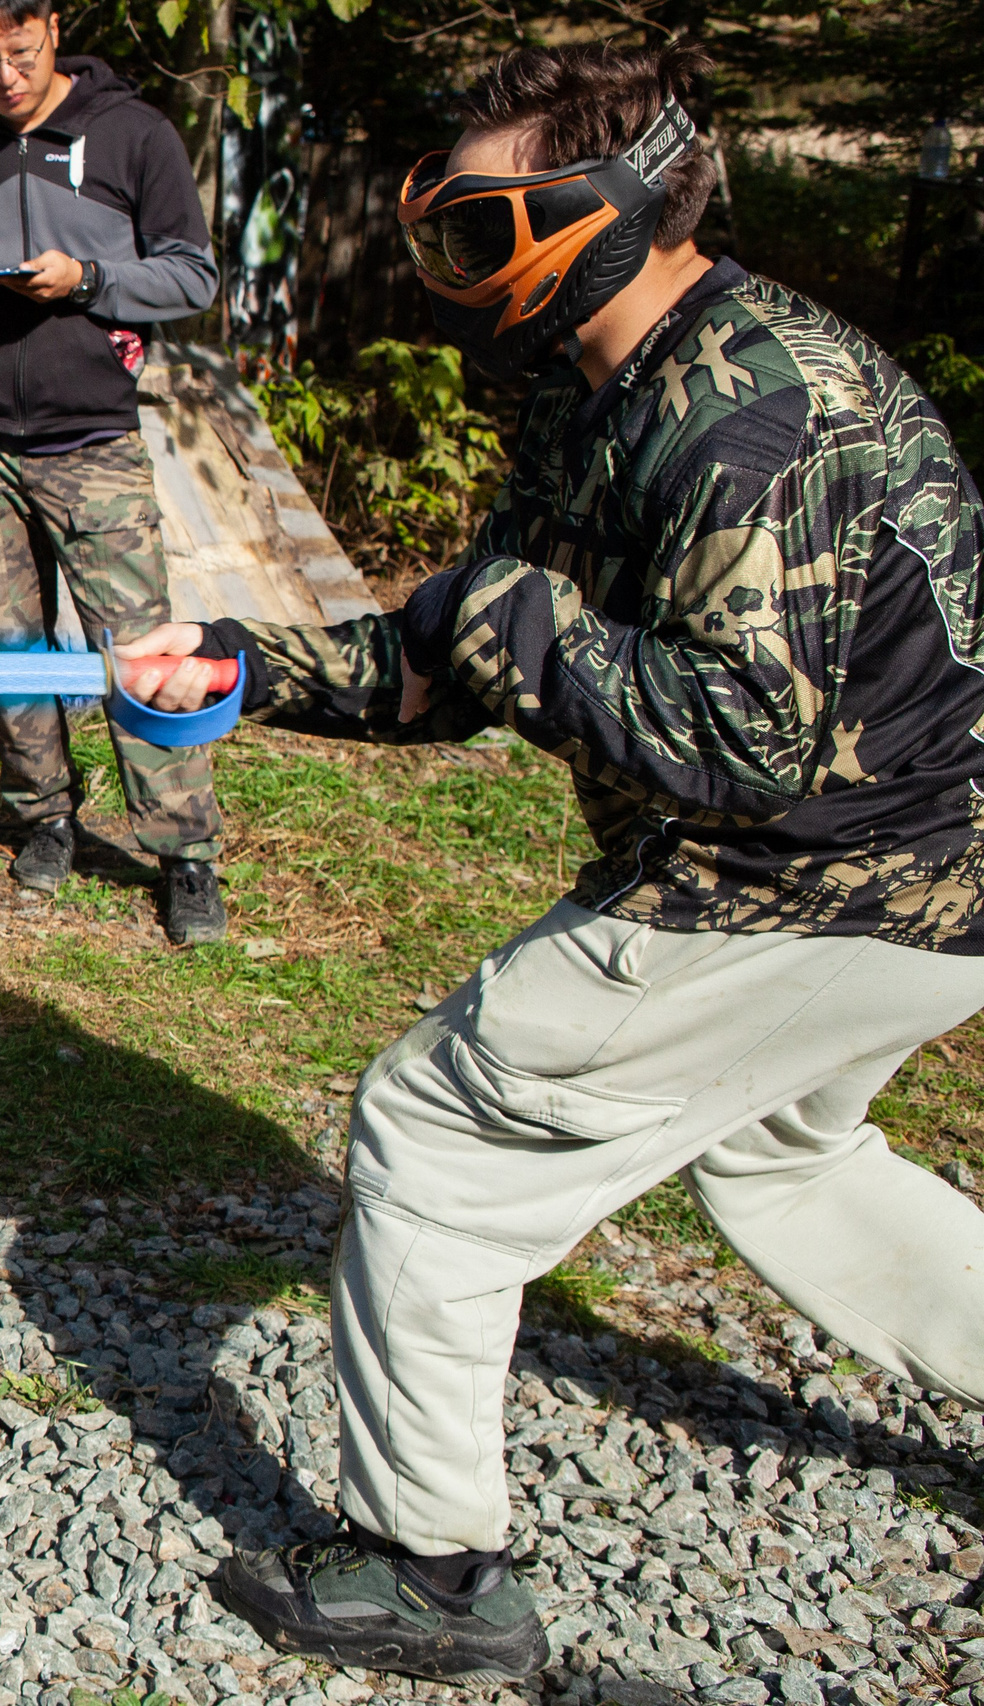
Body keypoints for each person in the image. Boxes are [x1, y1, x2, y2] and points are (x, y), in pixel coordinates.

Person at [118, 43, 984, 1684]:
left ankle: (432, 1572)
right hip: (905, 895)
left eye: (479, 225)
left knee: (440, 1131)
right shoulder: (613, 383)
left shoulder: (753, 416)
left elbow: (738, 744)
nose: (453, 264)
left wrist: (518, 620)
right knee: (788, 1159)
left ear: (603, 212)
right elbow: (457, 659)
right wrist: (236, 663)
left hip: (826, 877)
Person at [0, 0, 228, 941]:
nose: (2, 77)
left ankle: (185, 853)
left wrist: (85, 282)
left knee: (146, 654)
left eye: (20, 52)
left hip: (93, 441)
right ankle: (46, 818)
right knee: (7, 644)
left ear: (50, 28)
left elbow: (192, 277)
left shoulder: (134, 134)